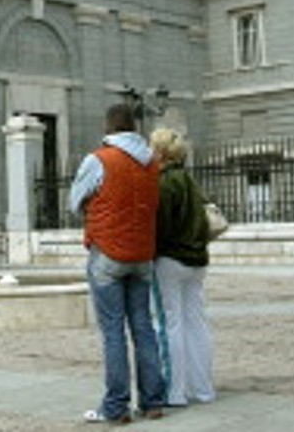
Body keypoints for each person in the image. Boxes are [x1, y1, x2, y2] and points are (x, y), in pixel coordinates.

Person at [69, 104, 166, 424]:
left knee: (113, 332)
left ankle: (116, 407)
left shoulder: (99, 159)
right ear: (134, 127)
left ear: (108, 128)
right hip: (142, 255)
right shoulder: (152, 163)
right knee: (143, 327)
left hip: (108, 253)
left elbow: (73, 202)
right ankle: (153, 401)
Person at [148, 127, 215, 407]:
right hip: (197, 260)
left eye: (152, 147)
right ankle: (203, 388)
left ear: (161, 152)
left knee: (169, 324)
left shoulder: (164, 183)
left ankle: (174, 392)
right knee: (196, 323)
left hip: (170, 260)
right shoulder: (190, 180)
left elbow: (160, 227)